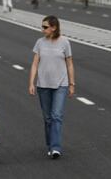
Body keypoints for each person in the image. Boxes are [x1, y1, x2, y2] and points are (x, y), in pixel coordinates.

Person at [29, 15, 75, 159]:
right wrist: (31, 83)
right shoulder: (40, 43)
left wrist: (72, 83)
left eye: (45, 27)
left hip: (61, 84)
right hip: (43, 85)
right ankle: (51, 144)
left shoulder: (65, 43)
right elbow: (35, 63)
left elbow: (69, 64)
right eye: (42, 26)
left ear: (54, 27)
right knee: (48, 118)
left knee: (56, 116)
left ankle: (55, 147)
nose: (42, 29)